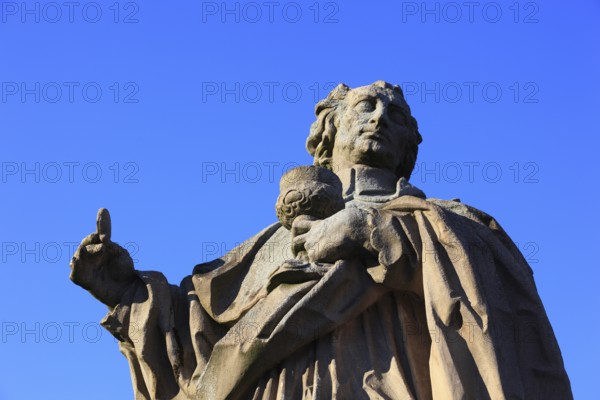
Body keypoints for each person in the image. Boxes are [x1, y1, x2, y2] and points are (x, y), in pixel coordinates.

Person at [70, 81, 572, 399]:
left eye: (394, 116)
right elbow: (198, 343)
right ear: (329, 133)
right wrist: (127, 293)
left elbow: (496, 292)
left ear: (406, 147)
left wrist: (372, 229)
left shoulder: (447, 220)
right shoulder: (266, 244)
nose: (379, 118)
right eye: (366, 107)